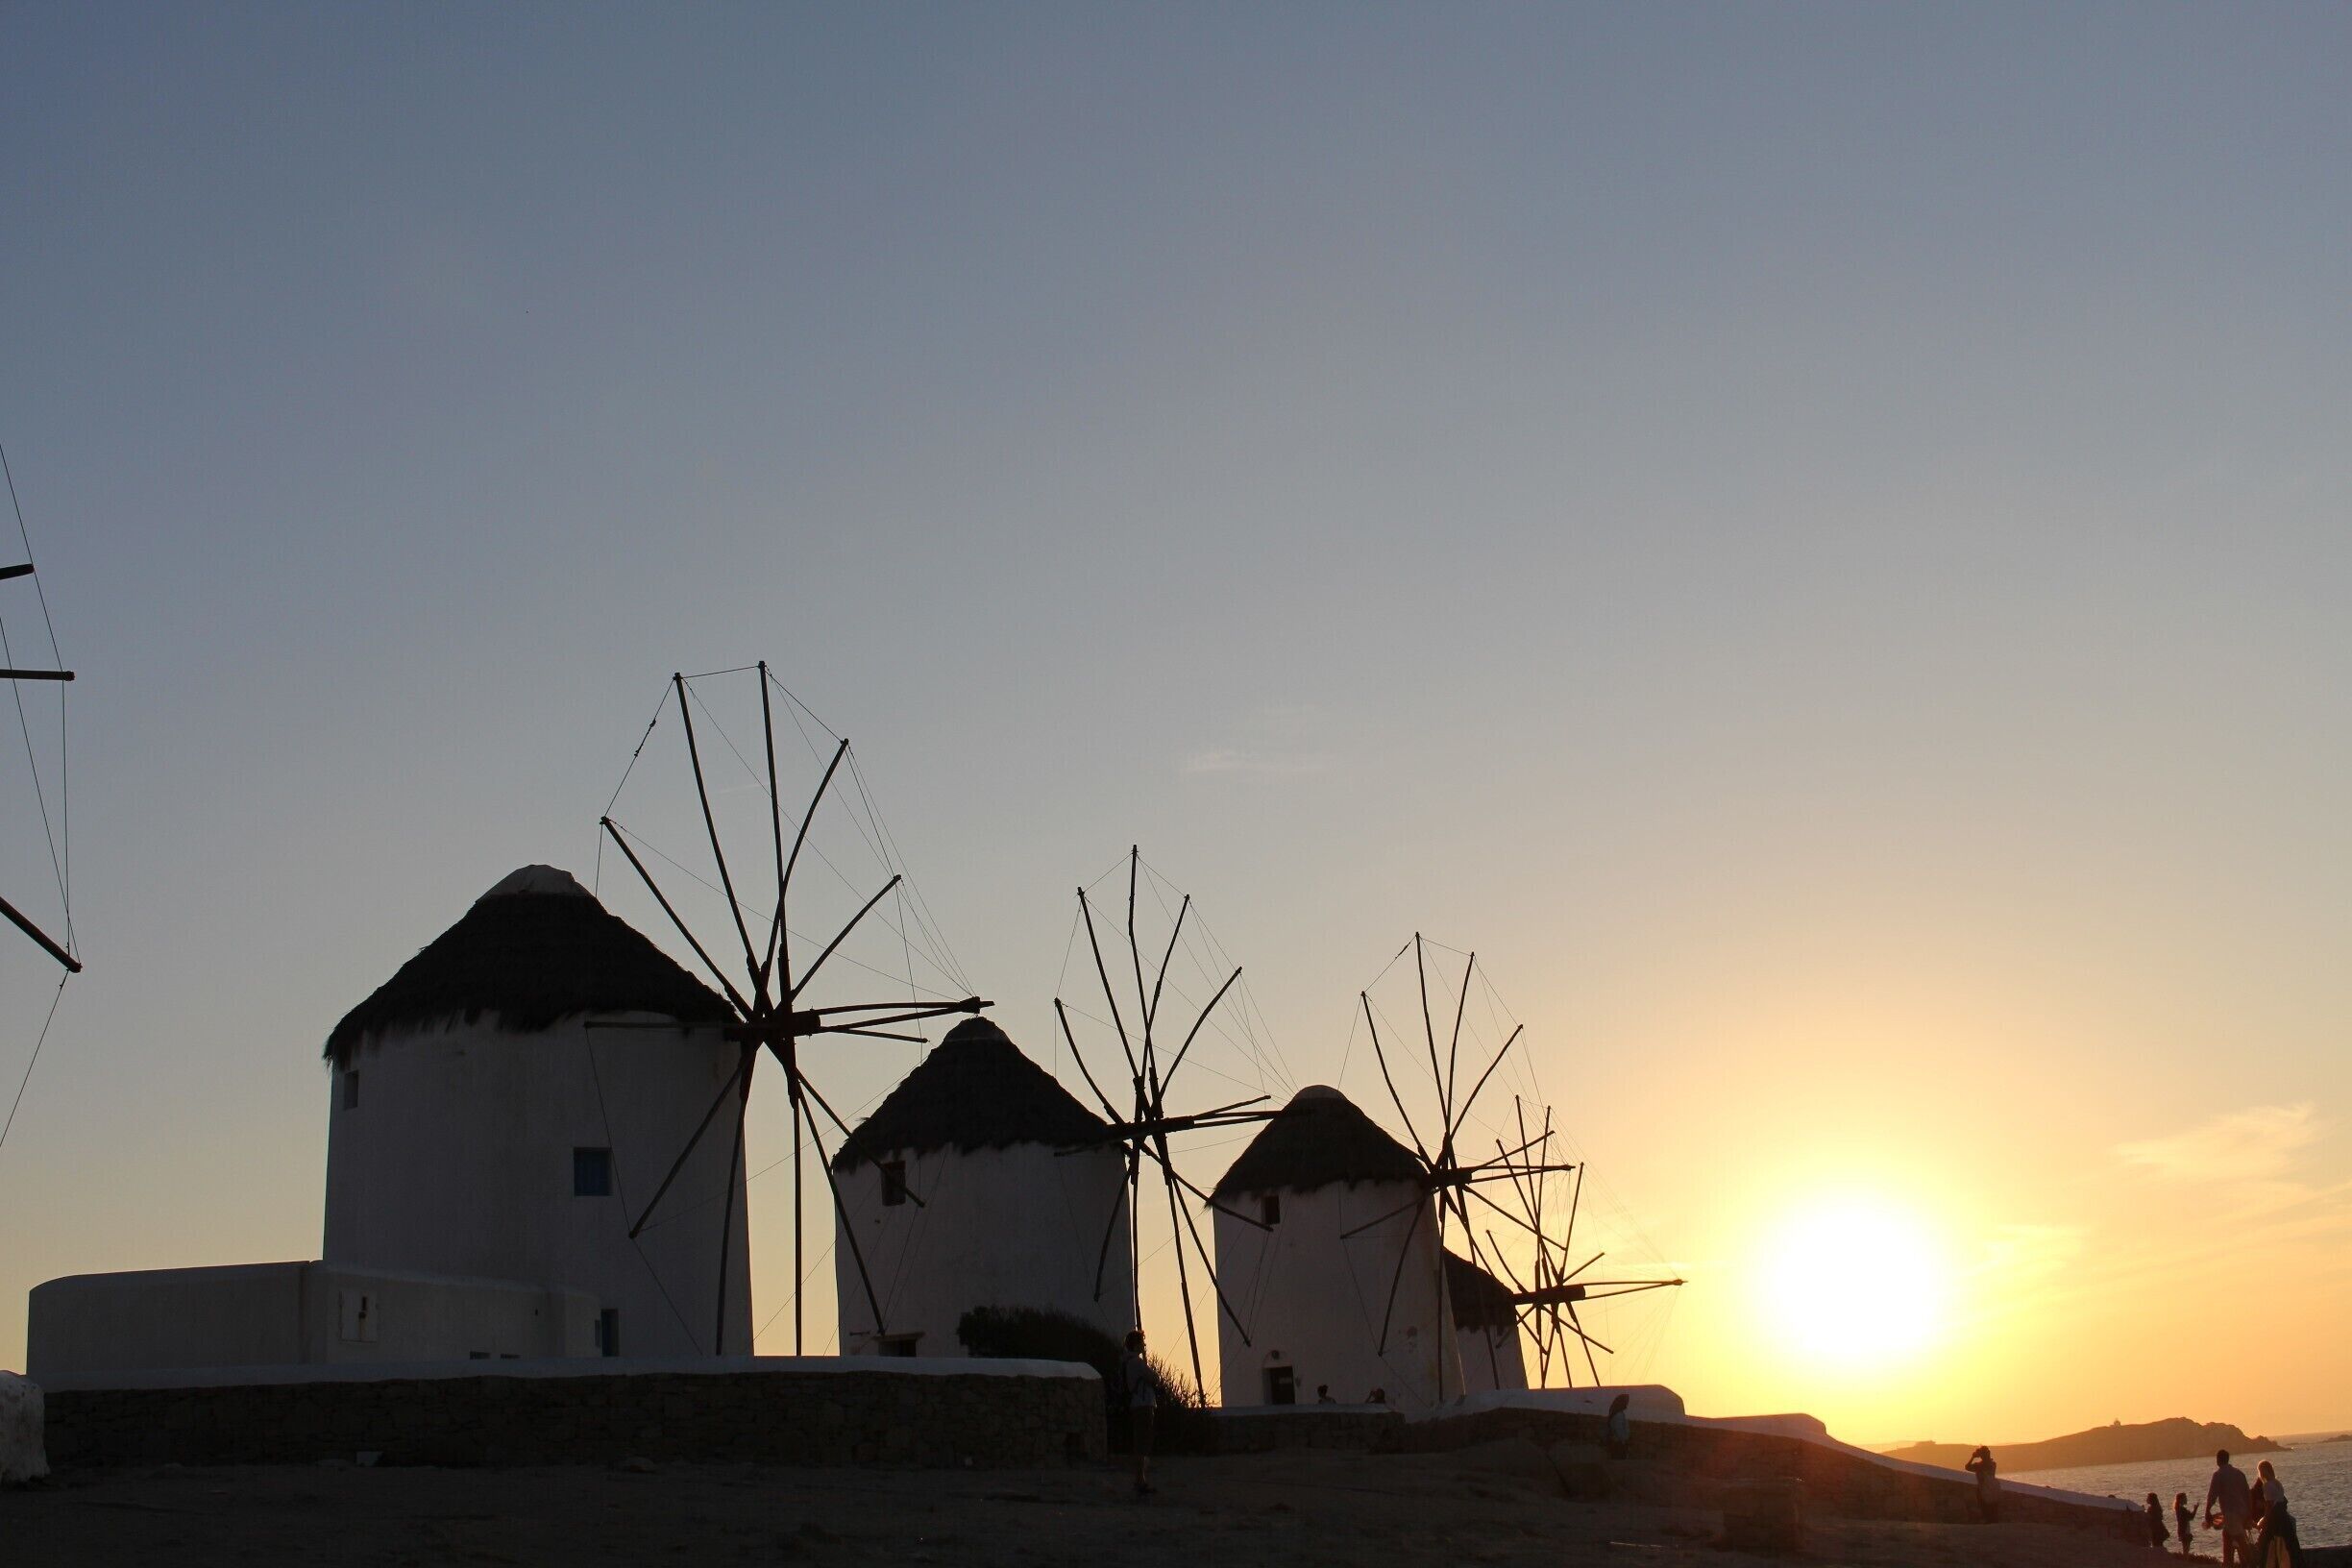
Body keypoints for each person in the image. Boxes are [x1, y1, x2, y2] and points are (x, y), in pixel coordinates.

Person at [1118, 1329, 1157, 1496]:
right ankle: (1140, 1480)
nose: (1144, 1345)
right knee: (1143, 1443)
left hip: (1137, 1404)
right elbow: (1155, 1378)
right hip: (1143, 1404)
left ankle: (1140, 1479)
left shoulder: (1127, 1363)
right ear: (1136, 1345)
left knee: (1140, 1441)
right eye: (1142, 1342)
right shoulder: (1136, 1363)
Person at [2205, 1449, 2252, 1566]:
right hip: (2242, 1513)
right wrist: (2249, 1514)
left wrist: (2207, 1511)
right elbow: (2247, 1494)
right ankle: (2234, 1563)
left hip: (2231, 1514)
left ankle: (2252, 1564)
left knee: (2239, 1541)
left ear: (2218, 1460)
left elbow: (2212, 1495)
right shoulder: (2239, 1473)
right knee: (2230, 1539)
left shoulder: (2218, 1475)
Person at [2253, 1460, 2297, 1565]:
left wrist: (2263, 1522)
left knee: (2265, 1545)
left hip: (2275, 1519)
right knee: (2287, 1546)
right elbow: (2279, 1501)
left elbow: (2269, 1506)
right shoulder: (2277, 1483)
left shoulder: (2267, 1486)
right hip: (2284, 1518)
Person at [1965, 1446, 2000, 1523]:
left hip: (1983, 1489)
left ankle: (1988, 1521)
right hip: (1993, 1488)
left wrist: (1973, 1457)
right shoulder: (1993, 1464)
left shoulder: (1979, 1466)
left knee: (1985, 1507)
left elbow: (1967, 1467)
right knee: (1993, 1506)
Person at [1605, 1393, 1633, 1461]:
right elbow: (1620, 1432)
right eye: (1626, 1402)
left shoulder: (1616, 1414)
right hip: (1619, 1444)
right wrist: (1626, 1438)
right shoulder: (1618, 1415)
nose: (1627, 1404)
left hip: (1617, 1443)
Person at [2175, 1492, 2195, 1556]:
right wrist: (2195, 1509)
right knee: (2186, 1550)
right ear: (2181, 1499)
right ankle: (2185, 1562)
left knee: (2185, 1549)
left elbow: (2190, 1517)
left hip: (2183, 1531)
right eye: (2185, 1498)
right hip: (2184, 1531)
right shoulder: (2182, 1510)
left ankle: (2185, 1561)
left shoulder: (2179, 1509)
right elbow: (2191, 1517)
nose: (2186, 1499)